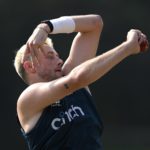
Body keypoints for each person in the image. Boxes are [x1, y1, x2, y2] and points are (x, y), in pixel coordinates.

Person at [14, 14, 148, 150]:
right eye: (50, 57)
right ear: (30, 66)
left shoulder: (68, 75)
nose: (60, 61)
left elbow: (95, 24)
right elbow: (77, 79)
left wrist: (46, 27)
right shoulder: (28, 99)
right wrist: (127, 47)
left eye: (57, 56)